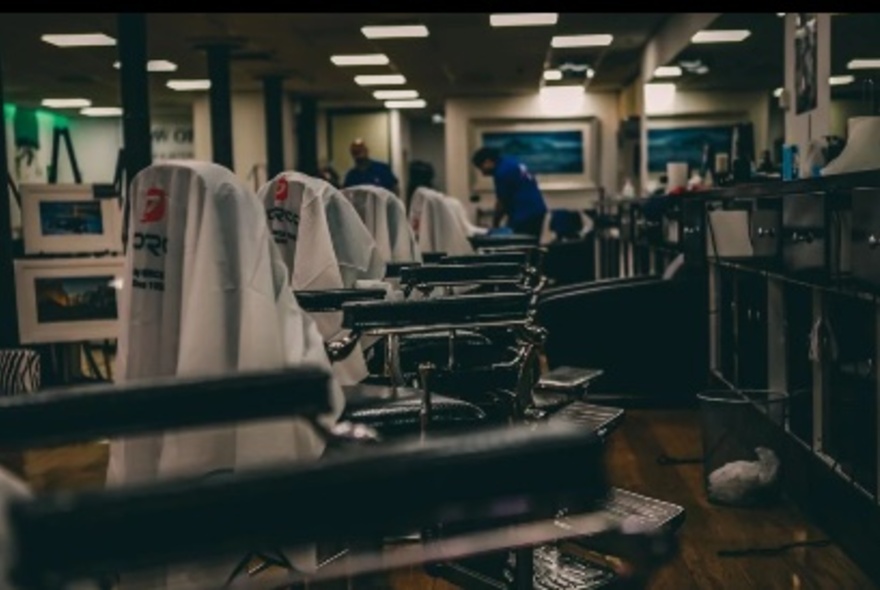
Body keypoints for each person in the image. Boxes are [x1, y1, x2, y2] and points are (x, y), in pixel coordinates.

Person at [471, 147, 548, 237]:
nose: (482, 172)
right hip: (537, 210)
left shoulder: (502, 172)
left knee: (518, 246)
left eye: (481, 167)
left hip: (523, 214)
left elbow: (502, 202)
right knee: (532, 243)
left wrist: (495, 224)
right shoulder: (511, 162)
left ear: (488, 161)